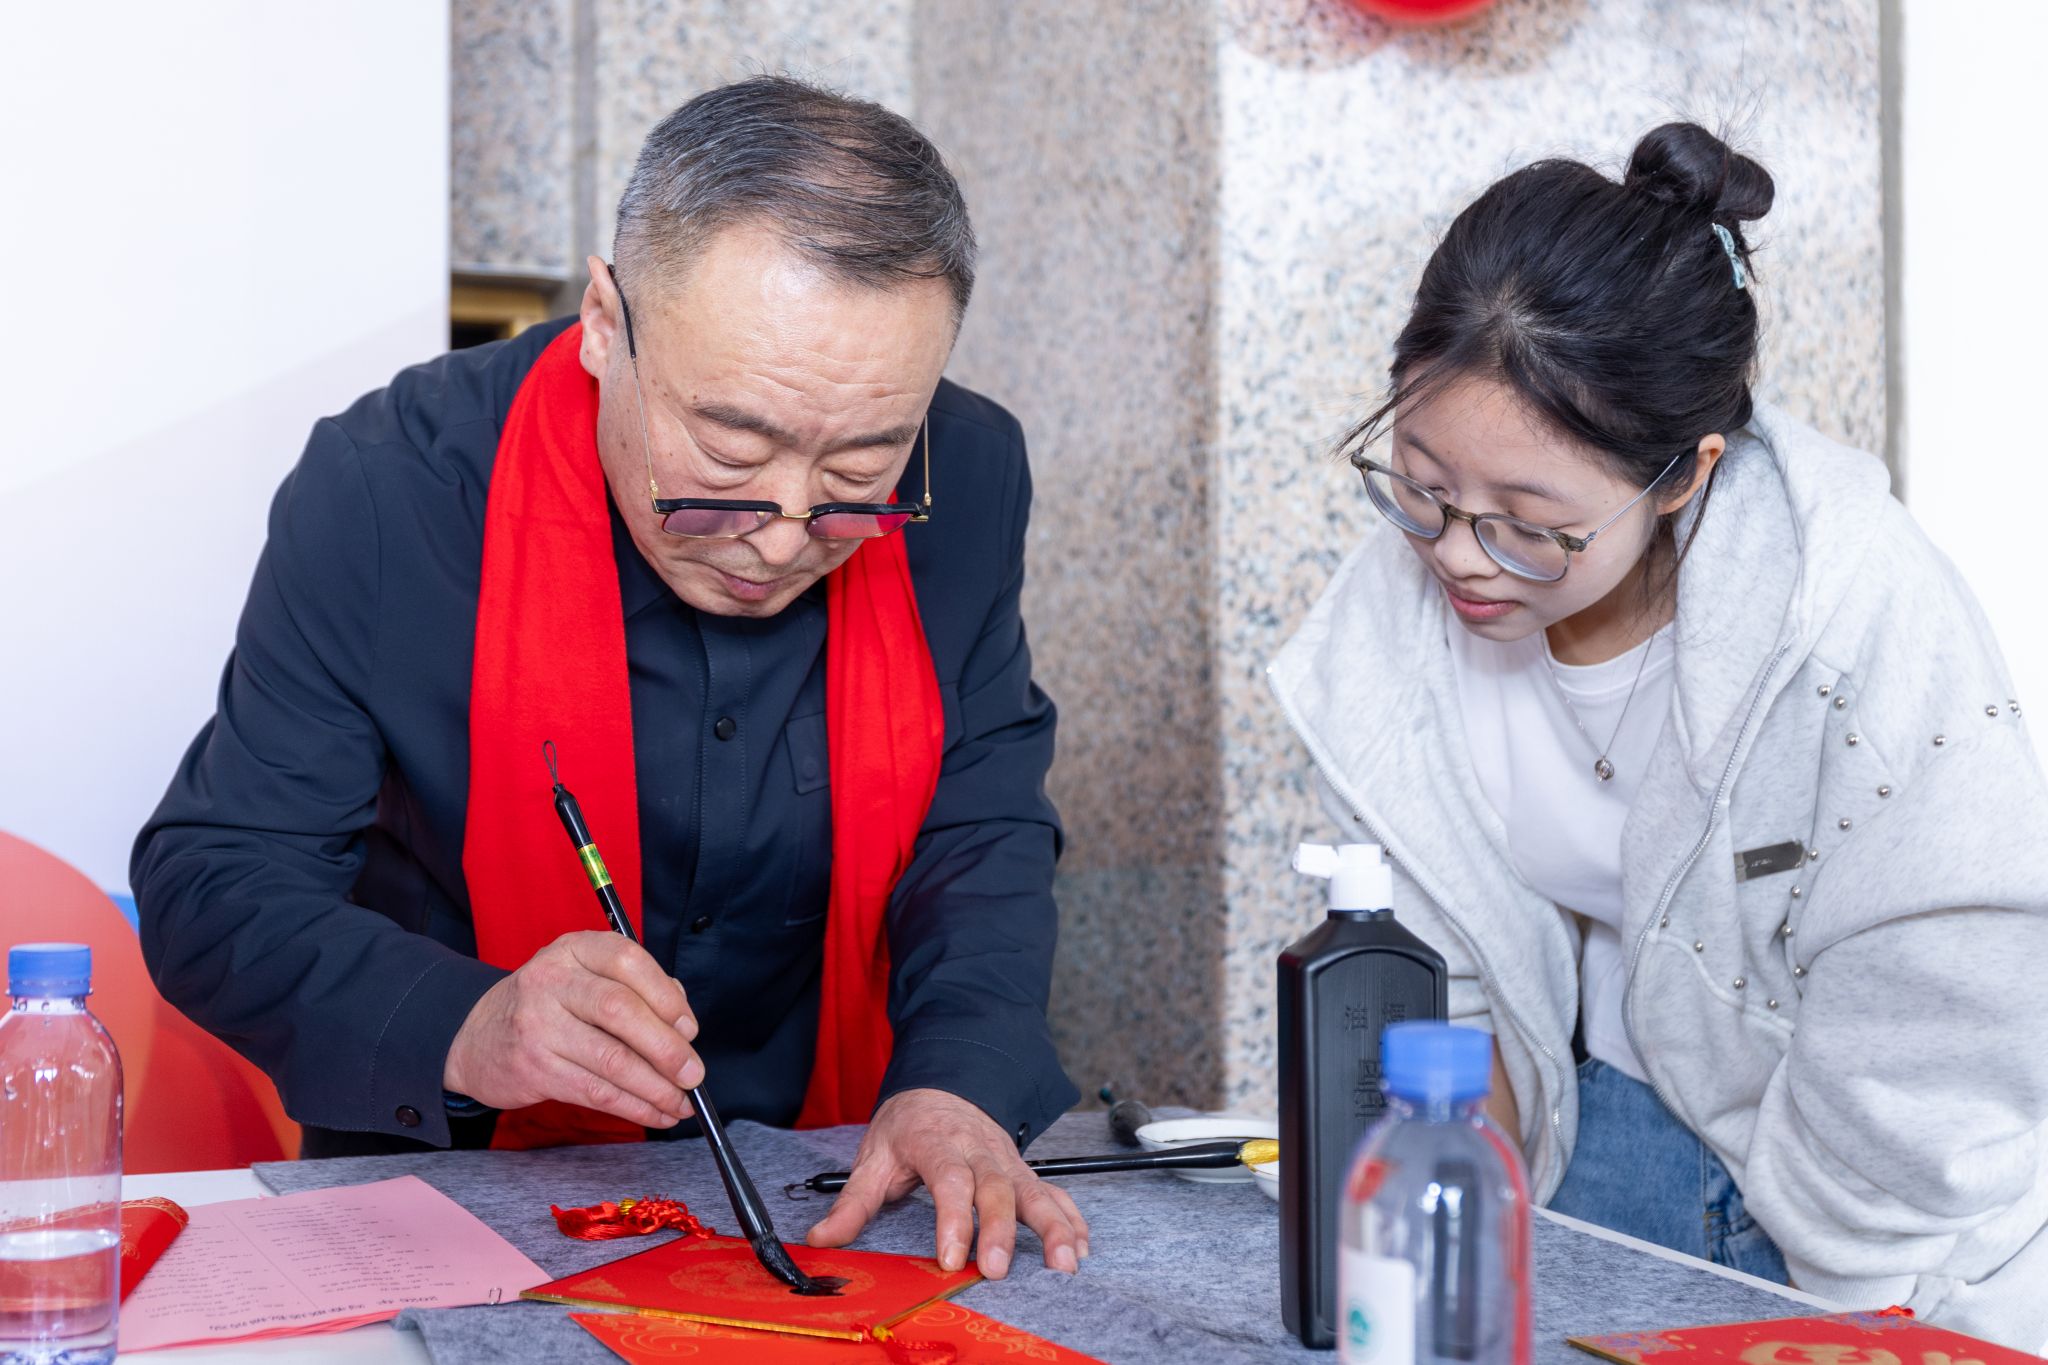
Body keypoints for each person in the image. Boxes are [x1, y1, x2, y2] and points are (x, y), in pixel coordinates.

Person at [133, 75, 1088, 1280]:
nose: (784, 532)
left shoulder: (972, 474)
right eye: (729, 450)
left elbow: (979, 831)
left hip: (829, 1186)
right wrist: (468, 1023)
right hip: (452, 1199)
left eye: (860, 468)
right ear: (602, 321)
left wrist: (959, 1082)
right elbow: (217, 881)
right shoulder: (391, 488)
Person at [1268, 123, 2048, 1349]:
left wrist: (1837, 1251)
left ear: (1683, 476)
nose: (1457, 555)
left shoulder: (1844, 613)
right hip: (1593, 1141)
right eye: (1420, 485)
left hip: (1866, 1195)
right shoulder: (1395, 621)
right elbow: (1439, 969)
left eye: (1531, 525)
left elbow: (1947, 987)